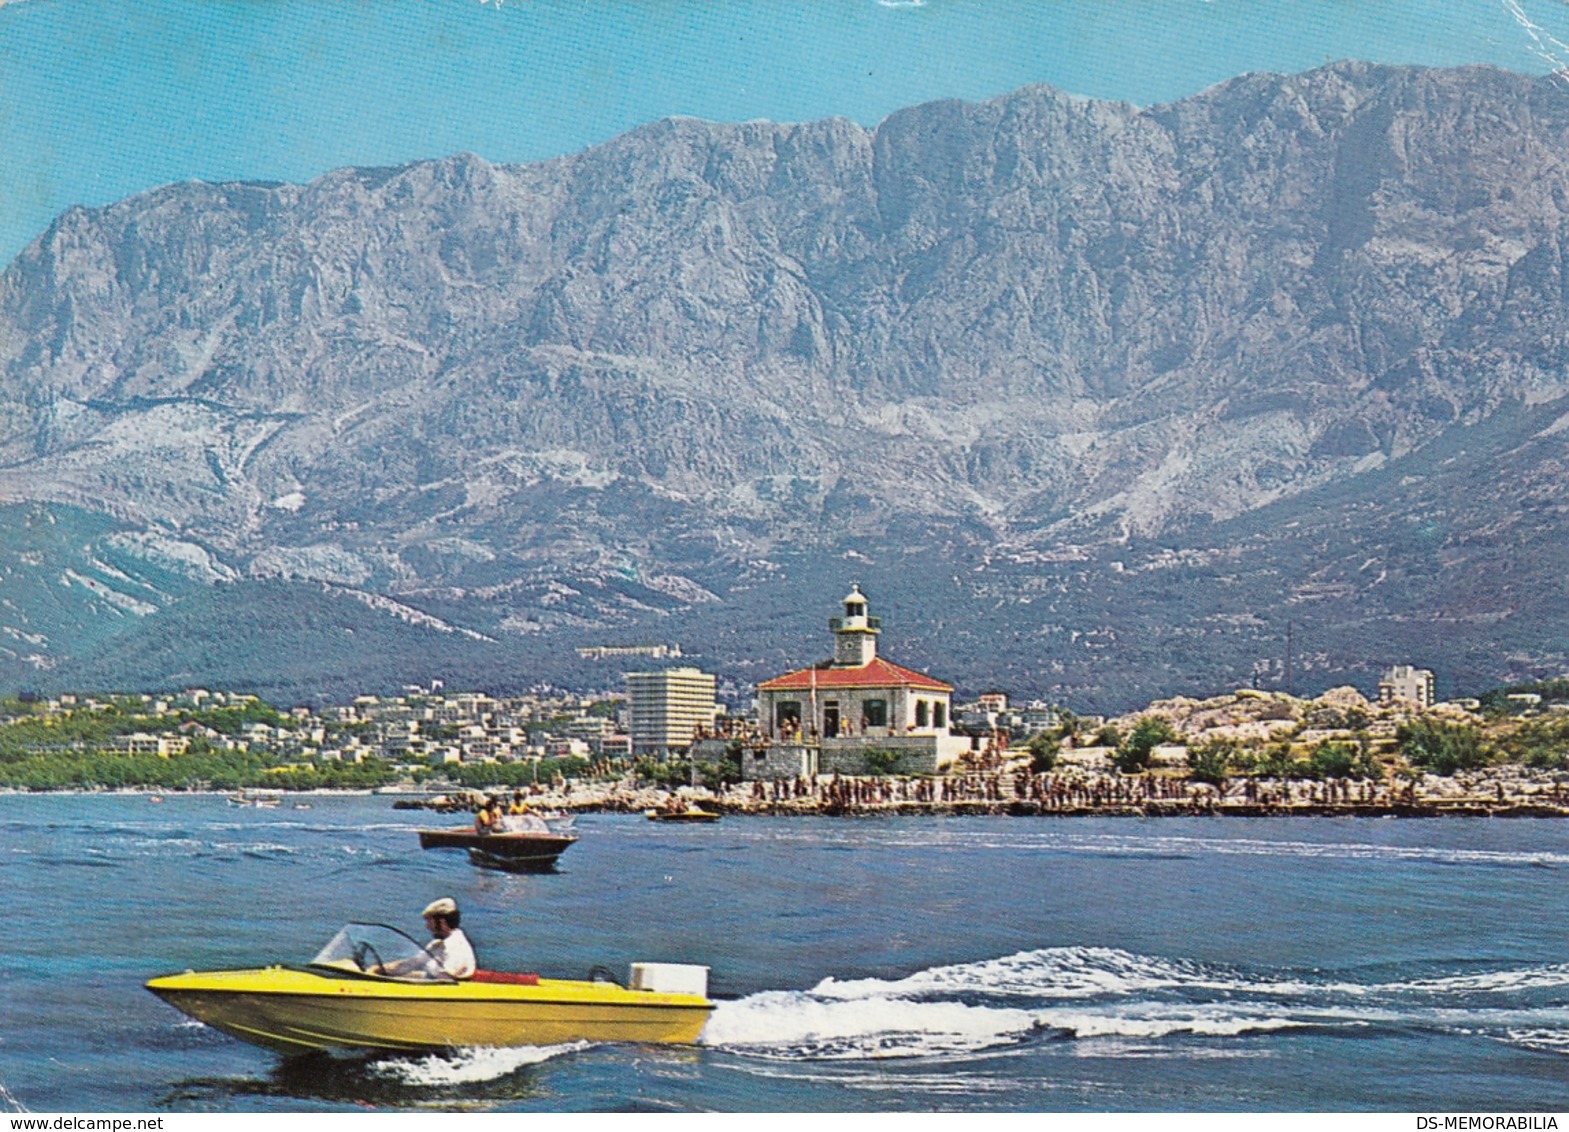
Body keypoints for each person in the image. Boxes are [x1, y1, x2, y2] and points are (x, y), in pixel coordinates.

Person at [418, 897, 476, 979]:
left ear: (442, 923)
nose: (427, 927)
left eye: (430, 922)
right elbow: (412, 963)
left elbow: (449, 978)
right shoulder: (437, 944)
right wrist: (394, 971)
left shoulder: (458, 946)